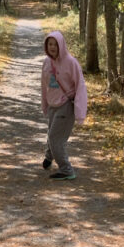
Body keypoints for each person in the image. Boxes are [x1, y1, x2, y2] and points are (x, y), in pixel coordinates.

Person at [41, 30, 87, 181]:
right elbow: (44, 85)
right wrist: (45, 104)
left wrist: (80, 111)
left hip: (66, 105)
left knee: (55, 138)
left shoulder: (71, 62)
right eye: (50, 44)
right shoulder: (47, 62)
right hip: (53, 104)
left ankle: (66, 169)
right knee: (52, 132)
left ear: (61, 45)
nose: (52, 47)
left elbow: (80, 86)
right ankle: (49, 157)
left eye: (55, 44)